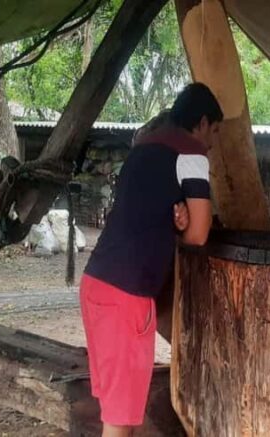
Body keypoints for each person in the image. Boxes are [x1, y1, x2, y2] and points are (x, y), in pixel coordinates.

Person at [80, 83, 222, 437]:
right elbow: (200, 235)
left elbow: (147, 215)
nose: (213, 142)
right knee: (120, 416)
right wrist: (185, 226)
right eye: (215, 131)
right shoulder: (191, 152)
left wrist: (176, 223)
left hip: (97, 285)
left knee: (116, 407)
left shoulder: (144, 146)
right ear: (202, 122)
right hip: (126, 296)